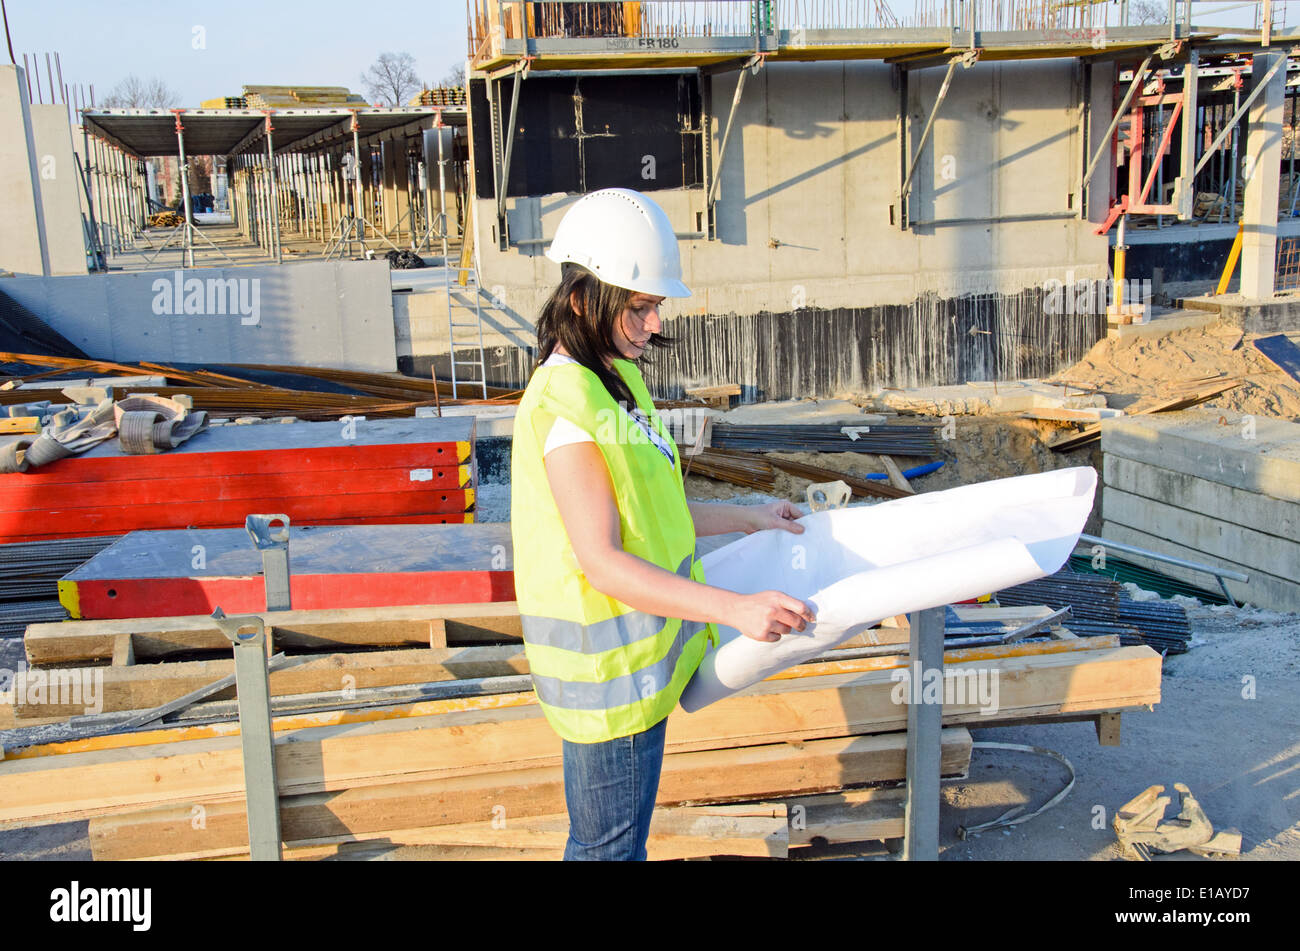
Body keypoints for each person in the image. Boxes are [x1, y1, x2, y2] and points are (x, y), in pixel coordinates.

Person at [510, 187, 816, 861]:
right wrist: (735, 608)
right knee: (607, 852)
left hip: (638, 674)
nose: (653, 323)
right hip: (610, 684)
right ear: (584, 300)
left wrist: (748, 517)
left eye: (656, 306)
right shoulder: (566, 408)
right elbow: (604, 561)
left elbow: (652, 517)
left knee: (615, 848)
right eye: (639, 307)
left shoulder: (613, 381)